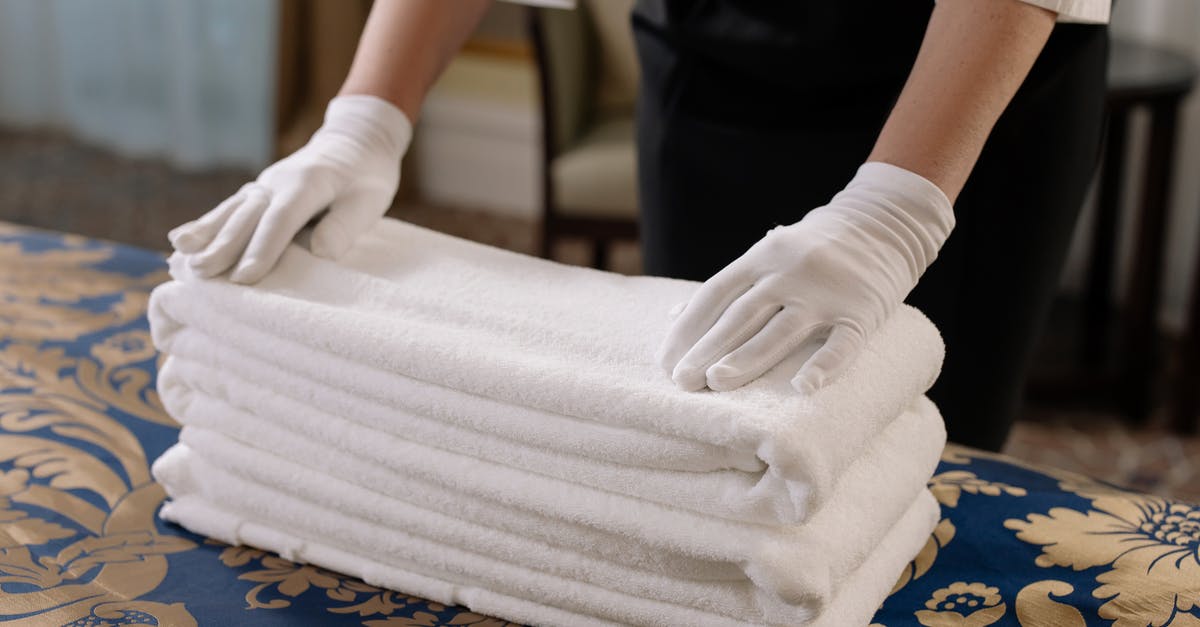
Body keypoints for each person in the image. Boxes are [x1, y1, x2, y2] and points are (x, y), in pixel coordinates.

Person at [167, 0, 1111, 452]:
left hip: (969, 80)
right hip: (717, 57)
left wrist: (894, 212)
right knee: (700, 444)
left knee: (917, 459)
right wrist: (365, 119)